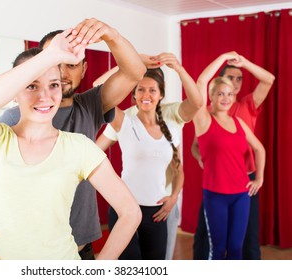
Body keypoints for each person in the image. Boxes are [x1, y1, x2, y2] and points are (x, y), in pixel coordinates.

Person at [0, 18, 146, 259]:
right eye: (32, 85)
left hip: (74, 251)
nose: (46, 95)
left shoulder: (84, 128)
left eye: (54, 84)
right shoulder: (1, 131)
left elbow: (130, 212)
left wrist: (112, 36)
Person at [95, 53, 202, 259]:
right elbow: (98, 88)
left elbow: (178, 170)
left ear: (161, 94)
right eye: (140, 89)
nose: (146, 95)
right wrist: (131, 63)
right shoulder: (124, 121)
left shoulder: (171, 126)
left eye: (152, 90)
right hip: (125, 209)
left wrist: (173, 198)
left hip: (156, 213)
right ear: (133, 94)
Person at [191, 51, 275, 260]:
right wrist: (222, 57)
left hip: (242, 191)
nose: (227, 97)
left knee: (239, 247)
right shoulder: (203, 118)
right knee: (216, 249)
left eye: (230, 93)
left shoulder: (240, 118)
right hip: (216, 191)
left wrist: (260, 178)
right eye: (221, 93)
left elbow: (259, 148)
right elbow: (201, 81)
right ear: (212, 95)